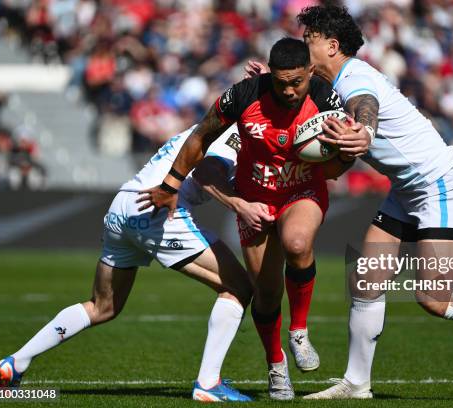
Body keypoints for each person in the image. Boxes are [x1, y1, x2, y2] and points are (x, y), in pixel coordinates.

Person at [247, 5, 453, 401]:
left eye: (309, 41)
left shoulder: (354, 78)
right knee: (366, 279)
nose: (303, 47)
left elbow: (364, 105)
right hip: (409, 189)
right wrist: (268, 81)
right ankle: (356, 383)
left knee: (434, 297)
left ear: (332, 46)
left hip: (440, 185)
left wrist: (365, 131)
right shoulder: (328, 86)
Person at [138, 38, 350, 400]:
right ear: (270, 74)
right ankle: (276, 365)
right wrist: (171, 184)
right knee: (266, 294)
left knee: (297, 243)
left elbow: (338, 164)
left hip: (302, 190)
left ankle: (298, 331)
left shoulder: (327, 100)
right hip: (254, 197)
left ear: (310, 72)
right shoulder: (244, 94)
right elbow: (201, 137)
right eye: (281, 82)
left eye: (296, 82)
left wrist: (341, 154)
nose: (288, 90)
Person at [0, 125, 254, 402]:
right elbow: (205, 174)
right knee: (238, 287)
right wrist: (243, 205)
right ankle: (208, 384)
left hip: (124, 203)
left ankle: (16, 361)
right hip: (158, 206)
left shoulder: (215, 120)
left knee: (102, 306)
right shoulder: (239, 127)